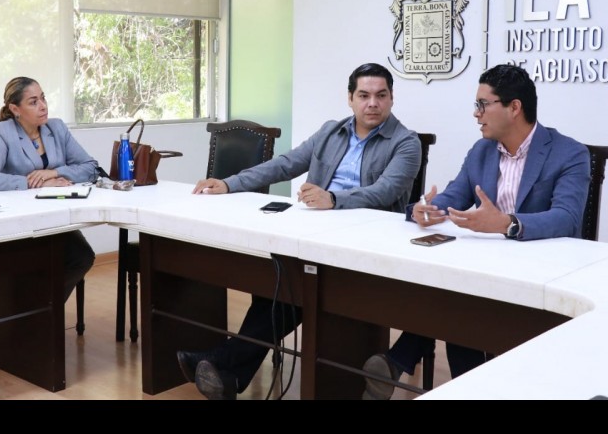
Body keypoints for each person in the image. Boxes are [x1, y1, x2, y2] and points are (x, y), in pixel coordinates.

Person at [176, 62, 422, 400]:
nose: (372, 104)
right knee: (281, 284)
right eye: (364, 95)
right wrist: (230, 183)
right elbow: (285, 164)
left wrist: (332, 198)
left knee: (293, 287)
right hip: (317, 233)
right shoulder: (330, 132)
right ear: (350, 98)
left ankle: (226, 364)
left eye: (381, 96)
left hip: (366, 243)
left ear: (392, 98)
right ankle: (229, 372)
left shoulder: (406, 142)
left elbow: (385, 191)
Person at [362, 63, 591, 400]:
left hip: (539, 275)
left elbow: (567, 218)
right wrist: (424, 210)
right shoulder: (481, 150)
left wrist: (507, 223)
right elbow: (452, 198)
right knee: (458, 296)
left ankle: (400, 360)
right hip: (486, 270)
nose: (475, 113)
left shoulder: (569, 153)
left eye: (483, 104)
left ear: (514, 107)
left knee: (457, 301)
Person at [0, 76, 98, 304]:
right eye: (33, 102)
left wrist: (54, 173)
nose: (43, 106)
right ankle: (32, 313)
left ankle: (42, 310)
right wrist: (32, 182)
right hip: (20, 223)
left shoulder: (56, 127)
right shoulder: (2, 132)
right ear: (15, 109)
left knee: (82, 257)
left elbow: (90, 167)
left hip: (56, 218)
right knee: (39, 262)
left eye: (43, 98)